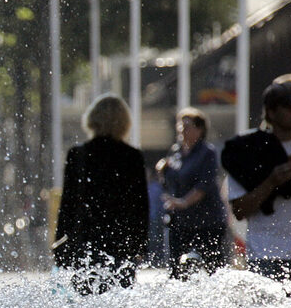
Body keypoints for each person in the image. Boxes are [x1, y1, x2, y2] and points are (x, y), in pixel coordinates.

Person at [225, 80, 291, 282]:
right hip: (262, 256)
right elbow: (239, 211)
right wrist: (271, 182)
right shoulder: (246, 153)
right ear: (271, 113)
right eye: (290, 107)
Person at [53, 94, 149, 294]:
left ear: (92, 119)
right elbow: (140, 206)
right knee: (117, 306)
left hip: (85, 243)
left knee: (87, 303)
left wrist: (60, 241)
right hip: (121, 245)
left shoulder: (78, 155)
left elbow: (68, 204)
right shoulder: (131, 157)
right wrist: (140, 246)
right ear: (124, 122)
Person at [156, 108, 230, 278]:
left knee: (214, 268)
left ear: (200, 129)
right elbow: (169, 183)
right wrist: (162, 171)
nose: (182, 130)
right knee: (176, 271)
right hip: (180, 221)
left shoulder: (207, 153)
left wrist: (183, 202)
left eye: (187, 126)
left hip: (206, 221)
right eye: (180, 125)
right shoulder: (175, 152)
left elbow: (204, 185)